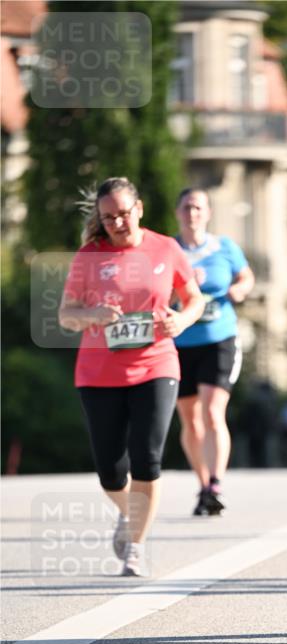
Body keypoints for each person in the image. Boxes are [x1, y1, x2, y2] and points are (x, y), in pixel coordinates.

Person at [59, 176, 204, 576]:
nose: (118, 223)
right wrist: (93, 315)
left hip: (157, 364)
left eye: (124, 213)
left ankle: (136, 544)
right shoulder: (89, 256)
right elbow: (66, 315)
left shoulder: (166, 248)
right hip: (98, 372)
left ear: (138, 208)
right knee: (110, 470)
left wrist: (182, 319)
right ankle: (129, 514)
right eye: (109, 218)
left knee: (147, 456)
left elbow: (194, 298)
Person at [173, 188, 255, 514]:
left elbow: (246, 276)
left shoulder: (225, 247)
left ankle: (216, 484)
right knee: (190, 422)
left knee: (211, 413)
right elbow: (153, 292)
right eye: (186, 207)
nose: (192, 213)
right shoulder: (169, 250)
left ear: (207, 213)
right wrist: (182, 285)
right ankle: (203, 483)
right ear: (178, 213)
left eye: (198, 207)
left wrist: (239, 289)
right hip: (179, 343)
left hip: (218, 338)